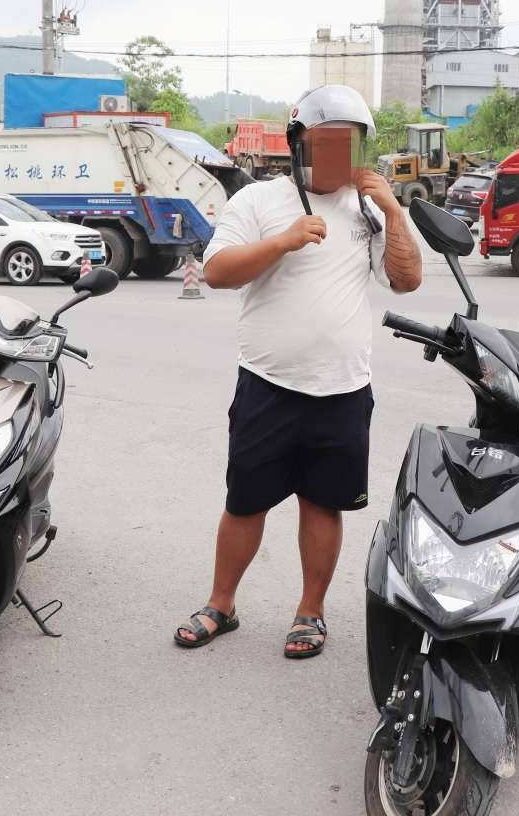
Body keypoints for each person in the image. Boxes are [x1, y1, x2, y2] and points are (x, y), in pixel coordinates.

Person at [172, 85, 423, 658]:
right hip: (268, 384)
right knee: (245, 502)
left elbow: (407, 280)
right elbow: (217, 273)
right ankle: (221, 604)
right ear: (297, 145)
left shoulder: (368, 208)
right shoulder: (259, 202)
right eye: (326, 146)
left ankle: (310, 613)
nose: (338, 158)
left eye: (350, 146)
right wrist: (284, 241)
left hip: (342, 389)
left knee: (323, 504)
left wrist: (392, 209)